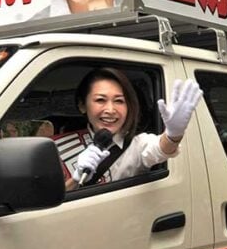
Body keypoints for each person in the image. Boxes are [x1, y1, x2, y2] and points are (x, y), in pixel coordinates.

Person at [60, 67, 202, 190]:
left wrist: (173, 134)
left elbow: (161, 148)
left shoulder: (137, 145)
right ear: (82, 105)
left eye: (119, 101)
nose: (110, 109)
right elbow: (48, 206)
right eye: (100, 100)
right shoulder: (59, 146)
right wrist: (76, 178)